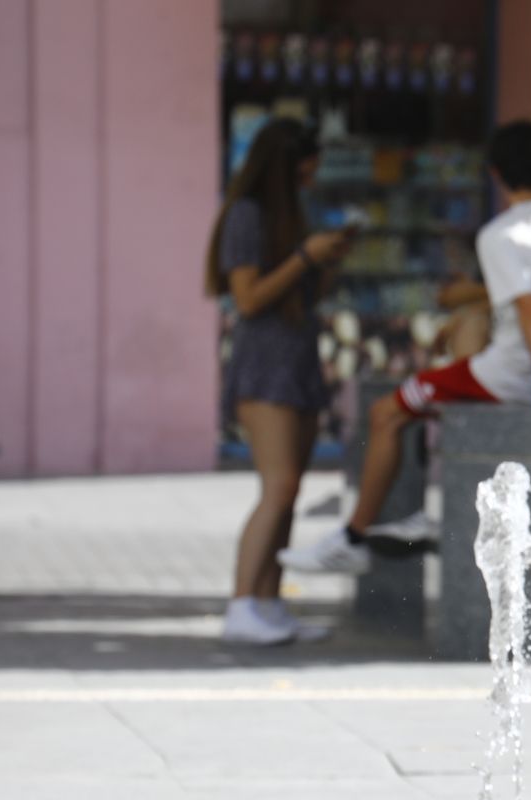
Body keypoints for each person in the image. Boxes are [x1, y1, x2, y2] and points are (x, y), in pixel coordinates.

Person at [278, 122, 531, 576]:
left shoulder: (502, 234)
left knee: (387, 413)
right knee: (449, 374)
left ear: (495, 174)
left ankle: (353, 538)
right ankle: (439, 507)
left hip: (514, 377)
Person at [205, 118, 351, 645]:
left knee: (290, 491)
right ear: (285, 164)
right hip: (263, 363)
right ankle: (242, 602)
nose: (313, 175)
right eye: (307, 165)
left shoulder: (294, 213)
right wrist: (303, 258)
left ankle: (269, 602)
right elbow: (247, 298)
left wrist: (325, 263)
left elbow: (300, 293)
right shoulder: (247, 214)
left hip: (298, 357)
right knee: (279, 486)